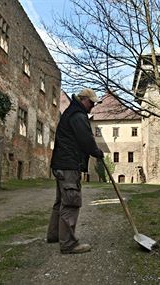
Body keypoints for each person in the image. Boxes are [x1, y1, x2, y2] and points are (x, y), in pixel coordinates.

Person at [46, 88, 104, 254]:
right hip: (68, 164)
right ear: (83, 99)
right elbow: (86, 140)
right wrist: (97, 152)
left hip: (61, 164)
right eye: (91, 103)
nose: (92, 106)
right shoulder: (78, 115)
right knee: (71, 202)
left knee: (61, 201)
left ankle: (54, 235)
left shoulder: (71, 112)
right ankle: (68, 244)